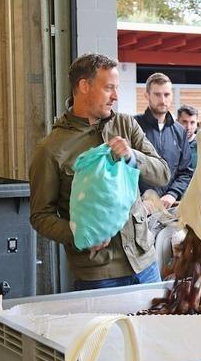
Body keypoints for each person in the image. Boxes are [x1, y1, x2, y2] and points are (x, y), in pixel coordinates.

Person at [29, 53, 170, 290]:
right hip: (98, 275)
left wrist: (132, 156)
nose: (115, 96)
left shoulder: (126, 125)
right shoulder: (50, 149)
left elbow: (162, 173)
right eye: (109, 88)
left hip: (145, 265)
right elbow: (40, 216)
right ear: (84, 86)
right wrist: (79, 235)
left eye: (116, 88)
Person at [135, 73, 193, 209]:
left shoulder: (180, 131)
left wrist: (172, 194)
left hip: (170, 206)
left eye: (166, 94)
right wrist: (139, 198)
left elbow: (186, 172)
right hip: (139, 208)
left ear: (171, 96)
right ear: (147, 95)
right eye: (157, 94)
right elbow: (125, 168)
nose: (162, 100)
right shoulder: (134, 126)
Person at [177, 104, 198, 169]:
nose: (188, 127)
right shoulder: (170, 142)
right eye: (184, 122)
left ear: (197, 123)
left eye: (192, 122)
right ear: (177, 122)